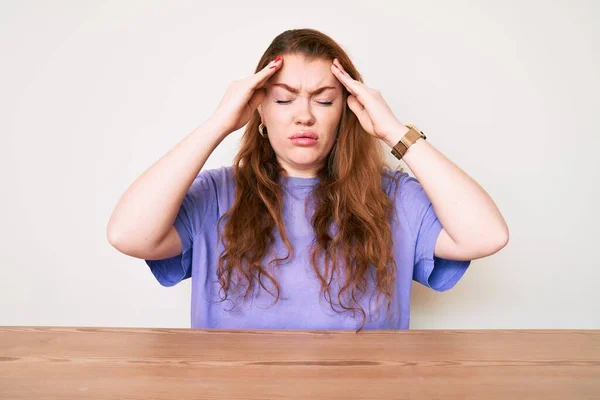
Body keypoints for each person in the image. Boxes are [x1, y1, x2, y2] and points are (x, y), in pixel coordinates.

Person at [107, 28, 509, 332]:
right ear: (258, 108)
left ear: (348, 110)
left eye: (324, 99)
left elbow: (486, 235)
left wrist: (393, 131)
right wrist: (217, 125)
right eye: (283, 99)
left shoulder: (393, 196)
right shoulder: (216, 193)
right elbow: (128, 234)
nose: (304, 116)